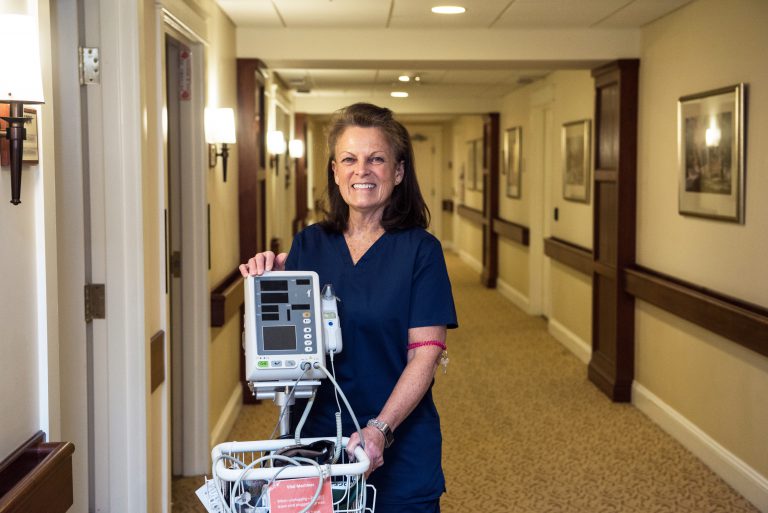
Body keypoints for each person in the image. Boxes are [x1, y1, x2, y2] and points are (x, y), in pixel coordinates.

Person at [239, 102, 458, 513]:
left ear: (398, 171)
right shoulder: (308, 245)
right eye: (349, 159)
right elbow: (284, 345)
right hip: (316, 440)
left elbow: (425, 357)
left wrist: (379, 430)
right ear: (335, 172)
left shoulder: (421, 252)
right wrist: (264, 280)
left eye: (377, 159)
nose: (363, 170)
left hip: (399, 439)